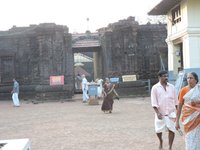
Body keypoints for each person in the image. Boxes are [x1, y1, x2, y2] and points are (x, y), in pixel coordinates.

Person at [151, 70, 178, 150]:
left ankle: (170, 147)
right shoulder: (155, 88)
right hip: (160, 113)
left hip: (171, 113)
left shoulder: (172, 87)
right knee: (158, 130)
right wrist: (157, 113)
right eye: (164, 76)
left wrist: (178, 112)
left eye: (167, 76)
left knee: (172, 130)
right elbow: (154, 102)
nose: (166, 78)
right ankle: (161, 141)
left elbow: (176, 101)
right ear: (159, 77)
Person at [175, 72, 200, 150]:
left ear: (196, 80)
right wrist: (177, 121)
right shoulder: (183, 90)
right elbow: (179, 106)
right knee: (189, 137)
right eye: (188, 78)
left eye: (191, 78)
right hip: (188, 119)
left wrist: (196, 103)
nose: (189, 80)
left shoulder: (199, 89)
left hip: (198, 119)